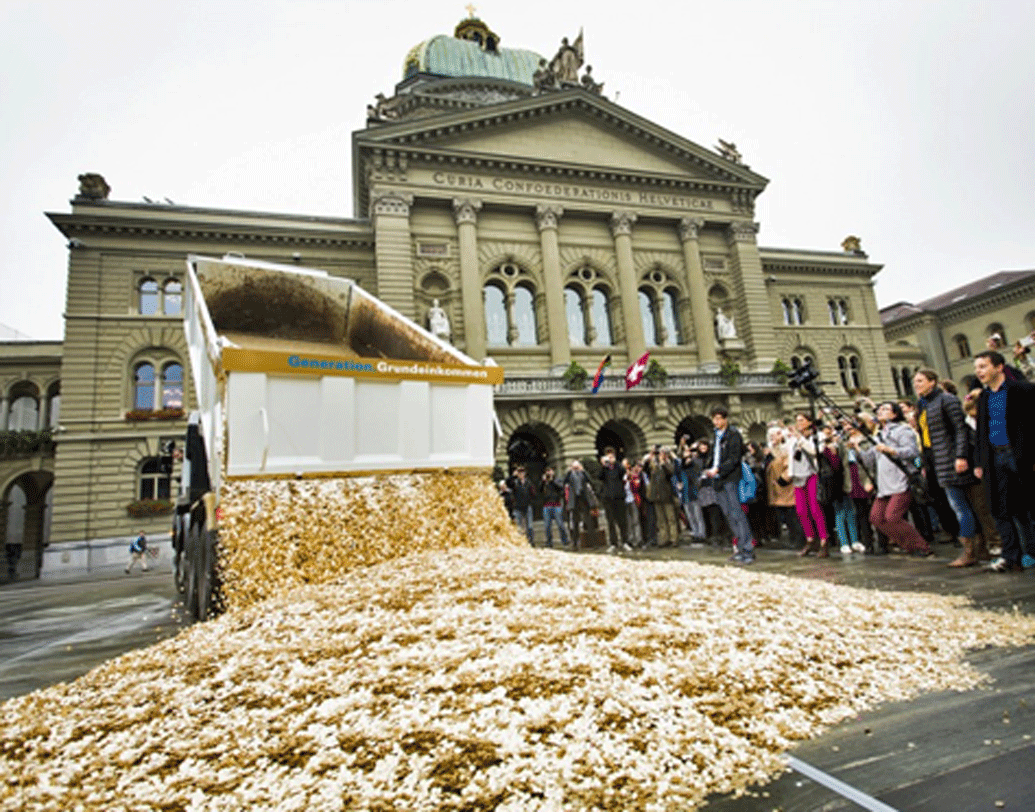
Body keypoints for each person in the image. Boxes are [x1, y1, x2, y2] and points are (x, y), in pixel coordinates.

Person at [912, 369, 983, 567]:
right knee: (952, 505)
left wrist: (961, 455)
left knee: (961, 506)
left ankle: (972, 549)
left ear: (932, 382)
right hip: (935, 461)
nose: (916, 384)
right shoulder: (923, 404)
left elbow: (960, 429)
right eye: (915, 381)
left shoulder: (947, 400)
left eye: (920, 380)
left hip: (951, 459)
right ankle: (973, 547)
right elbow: (926, 437)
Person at [973, 350, 1035, 572]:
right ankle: (1010, 556)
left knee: (1027, 505)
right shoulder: (984, 396)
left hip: (1019, 455)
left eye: (983, 366)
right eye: (977, 368)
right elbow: (981, 430)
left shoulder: (1022, 389)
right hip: (994, 457)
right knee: (1000, 508)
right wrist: (979, 462)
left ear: (999, 367)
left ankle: (1031, 551)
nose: (979, 371)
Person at [851, 402, 933, 556]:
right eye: (880, 409)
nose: (880, 411)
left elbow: (912, 451)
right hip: (884, 483)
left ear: (895, 414)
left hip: (900, 479)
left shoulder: (902, 430)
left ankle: (921, 546)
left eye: (886, 409)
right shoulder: (878, 434)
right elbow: (870, 461)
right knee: (876, 518)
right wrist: (857, 449)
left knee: (892, 517)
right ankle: (908, 545)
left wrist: (891, 450)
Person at [701, 407, 756, 563]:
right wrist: (709, 468)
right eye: (714, 419)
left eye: (719, 418)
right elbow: (713, 457)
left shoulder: (733, 435)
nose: (716, 422)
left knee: (737, 513)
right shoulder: (716, 437)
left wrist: (719, 469)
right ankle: (739, 547)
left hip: (730, 478)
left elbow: (734, 458)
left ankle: (748, 549)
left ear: (725, 419)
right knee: (729, 514)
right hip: (717, 479)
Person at [787, 412, 830, 557]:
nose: (798, 423)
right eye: (797, 420)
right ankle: (810, 539)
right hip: (798, 477)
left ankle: (824, 540)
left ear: (809, 422)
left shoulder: (818, 436)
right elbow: (791, 457)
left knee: (815, 508)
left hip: (812, 474)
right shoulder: (793, 438)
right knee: (801, 510)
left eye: (801, 420)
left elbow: (814, 451)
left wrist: (800, 438)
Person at [599, 448, 630, 552]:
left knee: (622, 521)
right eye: (608, 457)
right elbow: (600, 477)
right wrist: (604, 466)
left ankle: (625, 542)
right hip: (608, 498)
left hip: (619, 497)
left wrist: (615, 463)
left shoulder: (618, 467)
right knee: (611, 522)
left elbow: (623, 472)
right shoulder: (605, 469)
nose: (610, 459)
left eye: (612, 456)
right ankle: (613, 543)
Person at [645, 445, 677, 547]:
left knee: (671, 518)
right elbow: (646, 470)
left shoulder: (668, 463)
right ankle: (664, 539)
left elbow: (670, 473)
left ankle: (673, 539)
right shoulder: (653, 464)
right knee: (661, 520)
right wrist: (649, 458)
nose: (660, 455)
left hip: (667, 495)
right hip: (656, 495)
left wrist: (663, 462)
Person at [563, 459, 595, 548]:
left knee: (588, 520)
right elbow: (565, 482)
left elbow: (590, 480)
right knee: (575, 522)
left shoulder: (583, 473)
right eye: (574, 467)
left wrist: (583, 471)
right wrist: (570, 471)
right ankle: (575, 543)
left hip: (584, 499)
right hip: (574, 500)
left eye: (577, 466)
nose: (576, 468)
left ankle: (592, 542)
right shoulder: (570, 474)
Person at [540, 466, 569, 548]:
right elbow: (540, 491)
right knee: (547, 526)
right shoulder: (544, 482)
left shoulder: (557, 480)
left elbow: (560, 488)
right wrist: (543, 482)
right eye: (547, 471)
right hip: (546, 505)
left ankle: (565, 540)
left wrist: (552, 480)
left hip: (556, 504)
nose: (548, 473)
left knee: (560, 524)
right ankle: (549, 542)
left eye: (550, 471)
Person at [507, 466, 535, 546]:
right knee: (518, 526)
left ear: (525, 473)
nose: (521, 474)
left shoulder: (529, 483)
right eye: (519, 473)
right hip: (518, 507)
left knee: (529, 526)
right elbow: (508, 483)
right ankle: (520, 542)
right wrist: (513, 476)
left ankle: (530, 541)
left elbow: (533, 493)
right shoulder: (515, 482)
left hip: (527, 506)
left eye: (522, 472)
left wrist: (530, 500)